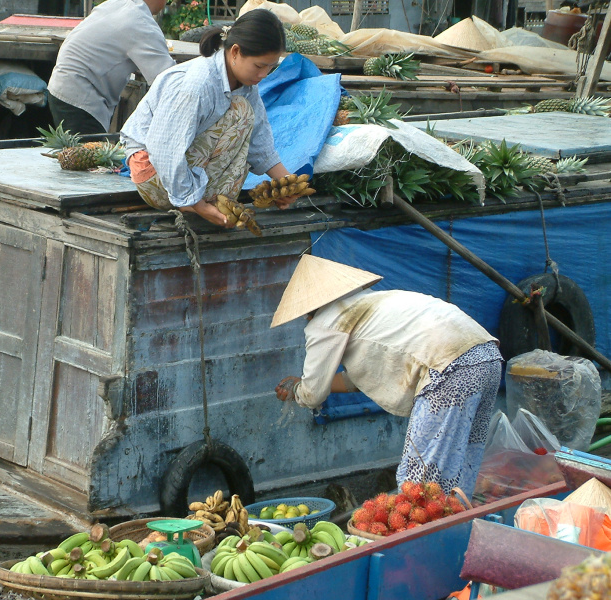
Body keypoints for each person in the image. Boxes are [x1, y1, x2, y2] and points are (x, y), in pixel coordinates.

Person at [272, 255, 503, 497]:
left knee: (419, 483)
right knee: (462, 465)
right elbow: (356, 380)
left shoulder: (323, 323)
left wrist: (298, 391)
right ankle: (459, 524)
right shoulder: (373, 305)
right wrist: (306, 385)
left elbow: (312, 395)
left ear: (309, 310)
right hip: (486, 356)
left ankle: (426, 533)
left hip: (449, 367)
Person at [119, 9, 302, 229]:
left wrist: (287, 185)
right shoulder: (198, 85)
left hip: (181, 175)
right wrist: (195, 203)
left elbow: (259, 141)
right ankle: (193, 201)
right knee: (239, 111)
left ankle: (204, 200)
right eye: (259, 66)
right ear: (235, 52)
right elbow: (164, 150)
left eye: (270, 67)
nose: (264, 74)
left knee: (245, 113)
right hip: (155, 174)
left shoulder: (246, 86)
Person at [47, 0, 175, 135]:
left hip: (61, 86)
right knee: (88, 154)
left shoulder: (114, 4)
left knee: (74, 153)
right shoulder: (141, 23)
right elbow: (168, 79)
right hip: (82, 99)